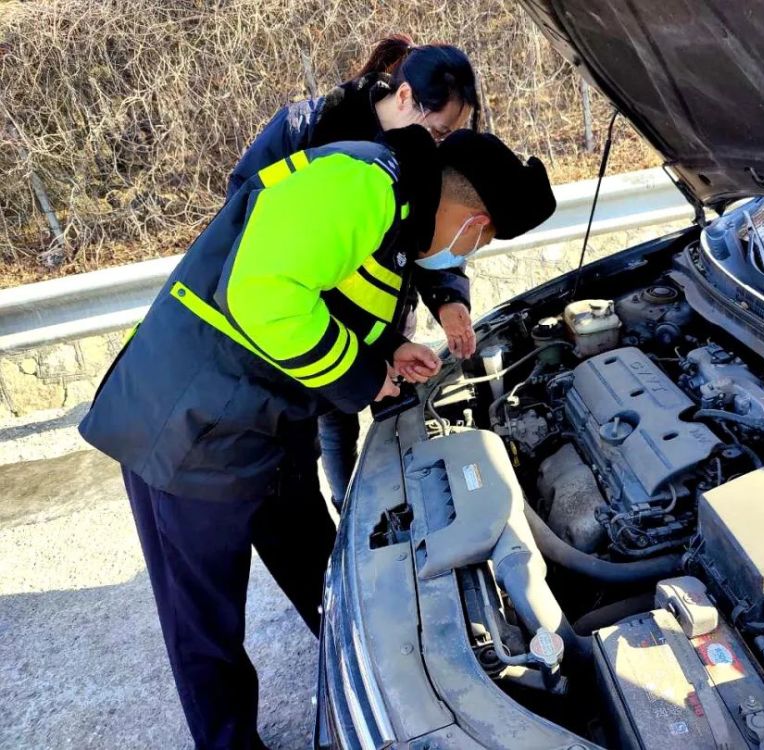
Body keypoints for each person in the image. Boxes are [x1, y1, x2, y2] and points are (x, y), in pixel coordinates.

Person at [78, 124, 556, 750]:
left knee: (317, 562)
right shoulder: (359, 184)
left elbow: (325, 285)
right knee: (204, 621)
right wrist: (362, 377)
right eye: (480, 242)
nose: (465, 257)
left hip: (262, 420)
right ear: (474, 219)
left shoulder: (398, 209)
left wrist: (388, 349)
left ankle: (368, 681)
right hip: (190, 427)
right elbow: (265, 296)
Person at [227, 35, 482, 508]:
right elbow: (251, 242)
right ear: (404, 96)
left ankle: (405, 504)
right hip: (314, 323)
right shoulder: (307, 131)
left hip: (385, 320)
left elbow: (429, 236)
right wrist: (360, 365)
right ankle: (349, 508)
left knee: (397, 411)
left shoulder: (424, 151)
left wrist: (449, 298)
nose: (441, 144)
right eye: (441, 130)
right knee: (334, 417)